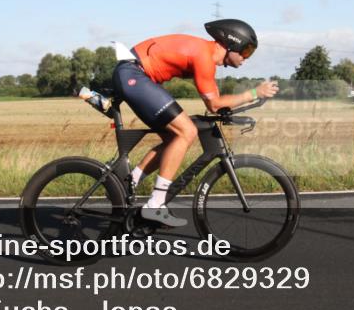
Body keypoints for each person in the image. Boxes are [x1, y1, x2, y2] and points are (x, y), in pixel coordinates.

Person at [91, 19, 278, 227]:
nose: (246, 57)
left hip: (134, 74)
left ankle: (130, 181)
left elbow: (215, 102)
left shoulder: (204, 55)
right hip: (134, 74)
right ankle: (156, 203)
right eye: (246, 51)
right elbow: (214, 104)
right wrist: (254, 93)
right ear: (231, 43)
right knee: (186, 131)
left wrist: (244, 102)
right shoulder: (203, 56)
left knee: (174, 137)